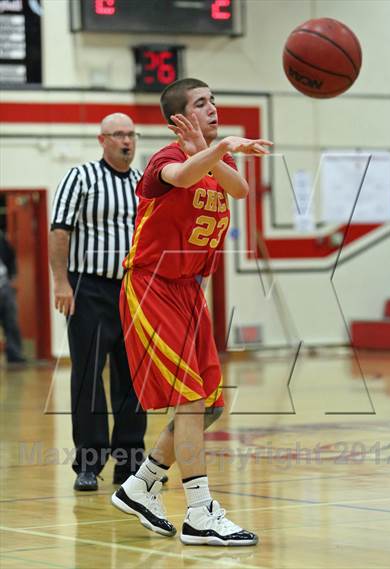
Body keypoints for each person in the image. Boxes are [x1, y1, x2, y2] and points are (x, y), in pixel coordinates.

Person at [112, 78, 272, 545]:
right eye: (201, 103)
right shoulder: (166, 159)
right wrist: (217, 146)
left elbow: (240, 189)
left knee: (211, 406)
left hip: (188, 292)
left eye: (214, 100)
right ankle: (200, 512)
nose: (213, 107)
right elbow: (180, 178)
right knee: (189, 400)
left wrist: (215, 150)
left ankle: (140, 485)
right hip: (152, 285)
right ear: (179, 118)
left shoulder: (213, 165)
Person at [49, 113, 149, 491]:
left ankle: (131, 464)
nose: (127, 140)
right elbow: (60, 230)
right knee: (88, 376)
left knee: (133, 378)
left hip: (134, 291)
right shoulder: (81, 177)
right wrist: (61, 282)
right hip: (88, 288)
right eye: (119, 134)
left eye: (131, 134)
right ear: (102, 140)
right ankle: (89, 463)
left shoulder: (143, 183)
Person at [0, 230, 26, 365]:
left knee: (11, 321)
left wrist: (13, 277)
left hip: (4, 284)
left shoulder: (1, 238)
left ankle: (14, 354)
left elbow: (11, 256)